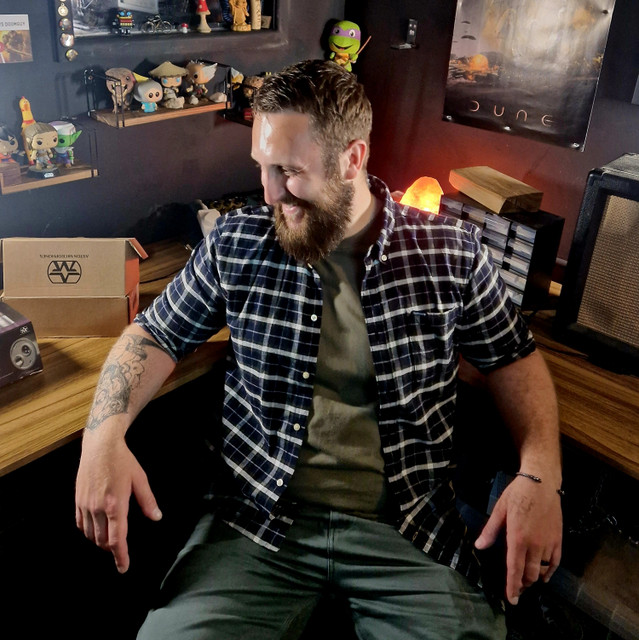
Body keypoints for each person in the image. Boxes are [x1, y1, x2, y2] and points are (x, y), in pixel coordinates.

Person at [75, 59, 563, 640]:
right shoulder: (238, 241)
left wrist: (540, 475)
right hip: (256, 524)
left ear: (353, 158)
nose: (268, 192)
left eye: (288, 171)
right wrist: (101, 438)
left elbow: (513, 358)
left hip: (408, 530)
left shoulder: (450, 253)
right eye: (261, 167)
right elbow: (154, 334)